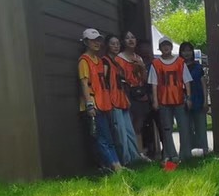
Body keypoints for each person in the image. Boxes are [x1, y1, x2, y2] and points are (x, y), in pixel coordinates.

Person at [78, 28, 121, 173]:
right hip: (94, 106)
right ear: (86, 42)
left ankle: (116, 165)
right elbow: (84, 84)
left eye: (98, 40)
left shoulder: (99, 61)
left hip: (104, 103)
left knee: (108, 137)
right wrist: (89, 105)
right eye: (92, 40)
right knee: (101, 139)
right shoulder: (84, 61)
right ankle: (113, 166)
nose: (96, 43)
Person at [148, 38, 189, 162]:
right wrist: (155, 100)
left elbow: (187, 81)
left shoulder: (180, 62)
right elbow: (154, 84)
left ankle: (185, 154)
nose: (165, 47)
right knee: (167, 128)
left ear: (171, 47)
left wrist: (189, 97)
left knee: (183, 127)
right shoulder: (156, 64)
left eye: (167, 45)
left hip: (179, 99)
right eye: (163, 45)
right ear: (159, 48)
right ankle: (170, 154)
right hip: (164, 100)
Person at [105, 35, 142, 165]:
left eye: (117, 44)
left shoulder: (117, 63)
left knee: (129, 131)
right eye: (112, 44)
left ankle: (135, 158)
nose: (116, 46)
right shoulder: (105, 61)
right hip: (113, 101)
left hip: (123, 99)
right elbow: (104, 83)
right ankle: (125, 161)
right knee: (120, 132)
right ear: (107, 46)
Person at [179, 41, 207, 158]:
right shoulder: (178, 66)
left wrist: (205, 101)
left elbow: (203, 84)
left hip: (198, 98)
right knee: (186, 127)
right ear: (180, 52)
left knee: (201, 126)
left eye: (189, 50)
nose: (187, 53)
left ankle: (204, 151)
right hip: (183, 100)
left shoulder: (198, 67)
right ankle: (187, 153)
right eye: (184, 51)